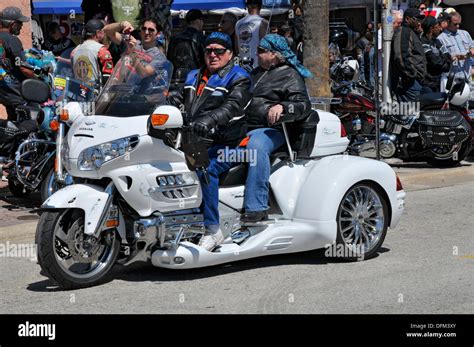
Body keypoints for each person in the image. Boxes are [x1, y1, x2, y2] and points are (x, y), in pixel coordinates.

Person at [183, 32, 252, 251]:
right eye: (209, 50)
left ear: (230, 54)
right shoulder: (193, 76)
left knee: (206, 167)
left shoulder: (239, 77)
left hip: (233, 146)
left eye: (219, 51)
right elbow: (175, 97)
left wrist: (209, 120)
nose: (213, 55)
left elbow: (232, 106)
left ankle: (213, 229)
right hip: (195, 140)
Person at [240, 34, 313, 223]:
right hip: (243, 126)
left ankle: (256, 207)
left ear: (274, 54)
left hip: (272, 130)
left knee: (256, 146)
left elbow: (303, 105)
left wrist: (283, 107)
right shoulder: (254, 73)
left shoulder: (289, 74)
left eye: (261, 51)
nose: (257, 55)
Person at [104, 17, 169, 87]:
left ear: (158, 34)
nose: (146, 32)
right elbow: (107, 31)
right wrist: (121, 24)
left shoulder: (159, 56)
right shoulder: (131, 42)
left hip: (140, 95)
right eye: (144, 29)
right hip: (121, 91)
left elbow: (144, 73)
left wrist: (132, 53)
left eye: (151, 30)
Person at [0, 6, 35, 121]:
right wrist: (37, 79)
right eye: (20, 23)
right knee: (29, 120)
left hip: (3, 88)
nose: (21, 26)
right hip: (14, 90)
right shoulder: (12, 40)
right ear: (13, 24)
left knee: (12, 120)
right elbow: (23, 67)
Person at [391, 8, 427, 102]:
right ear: (407, 19)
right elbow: (402, 57)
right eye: (417, 19)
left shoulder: (412, 32)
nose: (419, 22)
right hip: (409, 83)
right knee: (409, 113)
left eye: (420, 19)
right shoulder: (404, 31)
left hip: (415, 82)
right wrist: (411, 75)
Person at [167, 9, 205, 85]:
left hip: (175, 80)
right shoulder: (201, 38)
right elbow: (205, 61)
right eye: (202, 21)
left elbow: (169, 60)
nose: (203, 23)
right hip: (194, 80)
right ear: (198, 21)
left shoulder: (174, 38)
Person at [71, 19, 113, 89]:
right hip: (94, 94)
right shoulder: (101, 50)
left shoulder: (74, 50)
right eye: (103, 31)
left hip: (78, 93)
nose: (104, 33)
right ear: (98, 33)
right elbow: (108, 75)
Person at [436, 12, 474, 87]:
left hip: (468, 76)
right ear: (448, 22)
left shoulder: (465, 33)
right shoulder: (440, 39)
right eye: (455, 24)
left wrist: (472, 50)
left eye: (459, 24)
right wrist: (456, 57)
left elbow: (471, 46)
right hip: (453, 79)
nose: (458, 26)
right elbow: (444, 58)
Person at [420, 16, 451, 93]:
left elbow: (448, 57)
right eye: (438, 26)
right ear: (431, 28)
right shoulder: (423, 42)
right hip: (428, 84)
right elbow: (434, 61)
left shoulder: (437, 42)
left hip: (440, 82)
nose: (440, 29)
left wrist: (443, 62)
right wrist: (443, 61)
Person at [235, 0, 269, 69]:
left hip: (243, 66)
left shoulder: (238, 23)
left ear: (247, 6)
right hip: (258, 67)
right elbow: (266, 47)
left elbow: (236, 49)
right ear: (260, 6)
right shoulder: (263, 22)